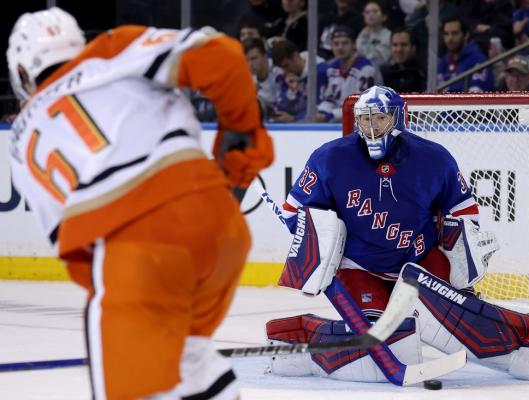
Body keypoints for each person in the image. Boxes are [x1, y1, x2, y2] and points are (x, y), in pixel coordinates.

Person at [6, 7, 273, 400]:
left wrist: (135, 284)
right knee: (188, 362)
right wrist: (237, 153)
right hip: (221, 230)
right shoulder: (113, 48)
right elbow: (223, 55)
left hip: (138, 251)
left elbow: (75, 248)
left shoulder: (21, 137)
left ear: (24, 73)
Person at [266, 85, 529, 384]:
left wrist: (461, 262)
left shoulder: (433, 159)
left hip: (420, 263)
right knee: (385, 350)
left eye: (379, 118)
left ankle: (528, 346)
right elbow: (295, 213)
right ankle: (300, 341)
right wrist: (311, 243)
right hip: (360, 268)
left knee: (460, 320)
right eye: (365, 119)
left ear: (398, 118)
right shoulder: (329, 158)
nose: (371, 127)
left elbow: (465, 213)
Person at [317, 25, 381, 122]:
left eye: (345, 43)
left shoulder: (366, 69)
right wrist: (321, 112)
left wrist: (330, 116)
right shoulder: (331, 68)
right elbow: (330, 100)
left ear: (354, 45)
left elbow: (362, 106)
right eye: (336, 44)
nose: (340, 47)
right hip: (339, 117)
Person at [270, 39, 327, 122]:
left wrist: (294, 119)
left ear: (295, 56)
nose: (285, 71)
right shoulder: (287, 75)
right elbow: (282, 106)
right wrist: (291, 93)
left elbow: (320, 109)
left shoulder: (321, 72)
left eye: (286, 66)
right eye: (282, 68)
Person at [438, 16, 495, 93]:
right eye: (446, 34)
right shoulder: (442, 62)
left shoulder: (478, 61)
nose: (450, 38)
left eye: (455, 33)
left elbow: (476, 97)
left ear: (466, 35)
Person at [243, 37, 284, 119]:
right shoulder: (247, 78)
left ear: (265, 56)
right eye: (246, 60)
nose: (250, 64)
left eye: (253, 58)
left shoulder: (281, 71)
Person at [380, 28, 426, 93]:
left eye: (404, 45)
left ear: (413, 48)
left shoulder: (421, 74)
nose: (399, 49)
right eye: (395, 45)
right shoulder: (386, 73)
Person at [356, 1, 392, 67]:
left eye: (375, 12)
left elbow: (383, 58)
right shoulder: (362, 34)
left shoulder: (389, 35)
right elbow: (358, 52)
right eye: (367, 12)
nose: (371, 15)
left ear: (384, 17)